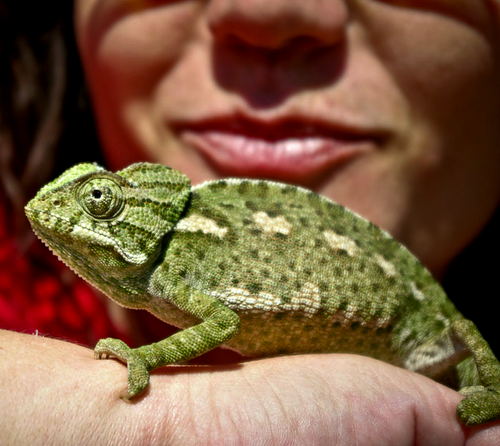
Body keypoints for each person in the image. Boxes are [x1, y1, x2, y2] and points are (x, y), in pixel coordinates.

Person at [1, 0, 500, 443]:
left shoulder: (174, 260)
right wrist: (123, 425)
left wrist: (148, 360)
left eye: (100, 201)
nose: (266, 12)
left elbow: (223, 320)